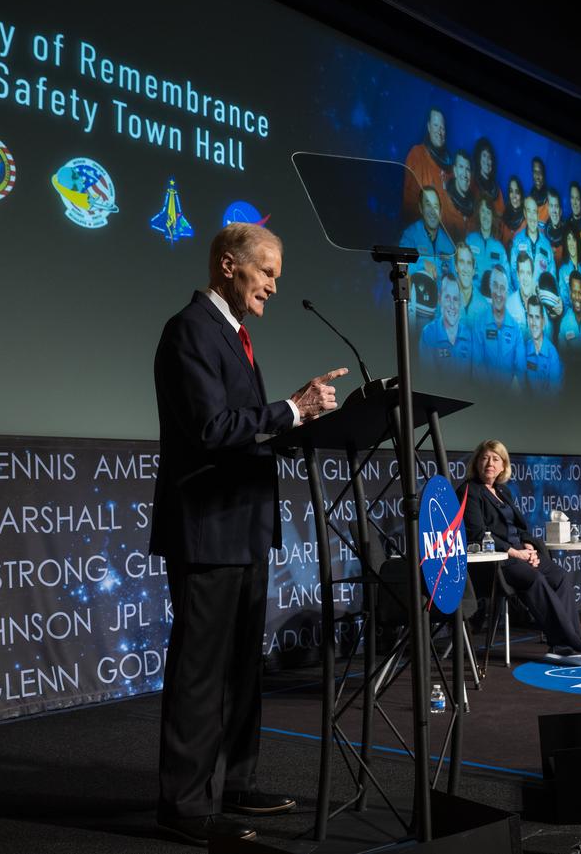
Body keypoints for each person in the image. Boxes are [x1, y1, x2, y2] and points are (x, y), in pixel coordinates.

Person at [151, 223, 348, 845]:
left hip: (243, 527)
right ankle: (184, 804)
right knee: (200, 672)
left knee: (241, 669)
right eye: (267, 273)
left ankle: (235, 783)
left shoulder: (236, 335)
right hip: (208, 530)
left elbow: (245, 429)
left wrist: (298, 419)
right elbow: (212, 427)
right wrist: (291, 410)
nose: (272, 286)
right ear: (229, 265)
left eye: (276, 277)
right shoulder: (189, 331)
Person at [463, 439, 581, 666]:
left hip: (518, 555)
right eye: (485, 458)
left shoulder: (503, 491)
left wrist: (529, 546)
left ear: (503, 466)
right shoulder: (470, 491)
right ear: (477, 463)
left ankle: (562, 646)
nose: (490, 463)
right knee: (533, 577)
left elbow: (520, 528)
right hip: (494, 561)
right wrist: (515, 553)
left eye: (496, 458)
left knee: (559, 576)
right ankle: (576, 644)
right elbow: (478, 533)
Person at [471, 264, 524, 388]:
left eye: (502, 288)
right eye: (495, 286)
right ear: (490, 286)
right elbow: (477, 366)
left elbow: (520, 369)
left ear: (507, 291)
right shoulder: (479, 324)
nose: (499, 293)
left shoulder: (516, 329)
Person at [418, 272, 473, 381]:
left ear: (460, 302)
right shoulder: (428, 334)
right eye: (447, 297)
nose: (452, 305)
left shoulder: (469, 335)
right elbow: (428, 380)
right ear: (440, 300)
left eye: (456, 299)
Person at [402, 107, 451, 225]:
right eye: (435, 125)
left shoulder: (451, 169)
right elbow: (408, 200)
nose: (439, 132)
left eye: (442, 128)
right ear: (428, 127)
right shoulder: (417, 155)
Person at [399, 186, 455, 279]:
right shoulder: (410, 235)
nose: (433, 212)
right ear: (421, 208)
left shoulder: (448, 244)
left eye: (436, 206)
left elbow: (453, 276)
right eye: (428, 205)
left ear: (440, 212)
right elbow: (400, 266)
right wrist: (422, 264)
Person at [508, 195, 555, 293]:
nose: (532, 217)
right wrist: (523, 293)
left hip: (541, 300)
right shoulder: (517, 241)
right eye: (529, 211)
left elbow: (552, 276)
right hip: (522, 298)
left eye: (534, 212)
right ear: (525, 213)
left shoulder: (546, 245)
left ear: (538, 215)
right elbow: (512, 271)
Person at [521, 295, 563, 396]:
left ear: (543, 321)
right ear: (527, 319)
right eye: (531, 317)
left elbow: (554, 396)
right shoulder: (524, 349)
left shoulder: (552, 356)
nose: (534, 323)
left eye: (537, 317)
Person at [466, 195, 509, 286]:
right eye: (483, 211)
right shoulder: (469, 241)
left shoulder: (499, 248)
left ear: (492, 216)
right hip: (472, 295)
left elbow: (506, 280)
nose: (485, 216)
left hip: (491, 297)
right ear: (479, 214)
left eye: (488, 212)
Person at [440, 149, 477, 240]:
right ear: (455, 171)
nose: (464, 174)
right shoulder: (442, 203)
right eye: (461, 167)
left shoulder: (475, 208)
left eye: (467, 169)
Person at [453, 242, 490, 324]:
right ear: (456, 267)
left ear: (473, 270)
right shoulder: (445, 300)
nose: (465, 269)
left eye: (469, 263)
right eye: (461, 262)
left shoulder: (484, 306)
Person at [471, 137, 504, 215]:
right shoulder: (471, 182)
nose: (487, 161)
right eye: (484, 156)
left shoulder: (497, 191)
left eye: (489, 157)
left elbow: (501, 213)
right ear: (479, 159)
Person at [505, 250, 538, 327]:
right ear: (517, 275)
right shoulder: (509, 305)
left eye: (528, 273)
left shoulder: (540, 303)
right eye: (522, 272)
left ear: (532, 276)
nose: (525, 278)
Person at [498, 175, 527, 250]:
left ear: (521, 194)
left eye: (517, 192)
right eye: (511, 191)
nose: (514, 196)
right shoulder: (504, 216)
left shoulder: (526, 219)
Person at [543, 188, 567, 266]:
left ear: (560, 210)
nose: (554, 211)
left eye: (556, 206)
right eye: (551, 206)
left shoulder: (567, 233)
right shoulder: (543, 232)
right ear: (548, 208)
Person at [527, 156, 550, 223]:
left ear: (544, 174)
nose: (537, 176)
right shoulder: (529, 199)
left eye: (540, 172)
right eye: (535, 171)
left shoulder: (550, 200)